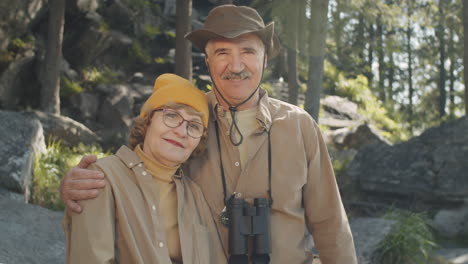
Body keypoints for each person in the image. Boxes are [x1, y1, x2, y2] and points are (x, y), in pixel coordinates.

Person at [61, 5, 358, 264]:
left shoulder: (299, 126)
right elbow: (138, 171)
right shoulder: (187, 119)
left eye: (248, 51)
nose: (236, 65)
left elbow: (330, 221)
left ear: (265, 59)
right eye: (222, 53)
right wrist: (82, 184)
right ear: (207, 61)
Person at [63, 73, 226, 264]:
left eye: (194, 125)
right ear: (147, 121)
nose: (181, 131)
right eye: (171, 116)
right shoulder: (102, 177)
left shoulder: (195, 195)